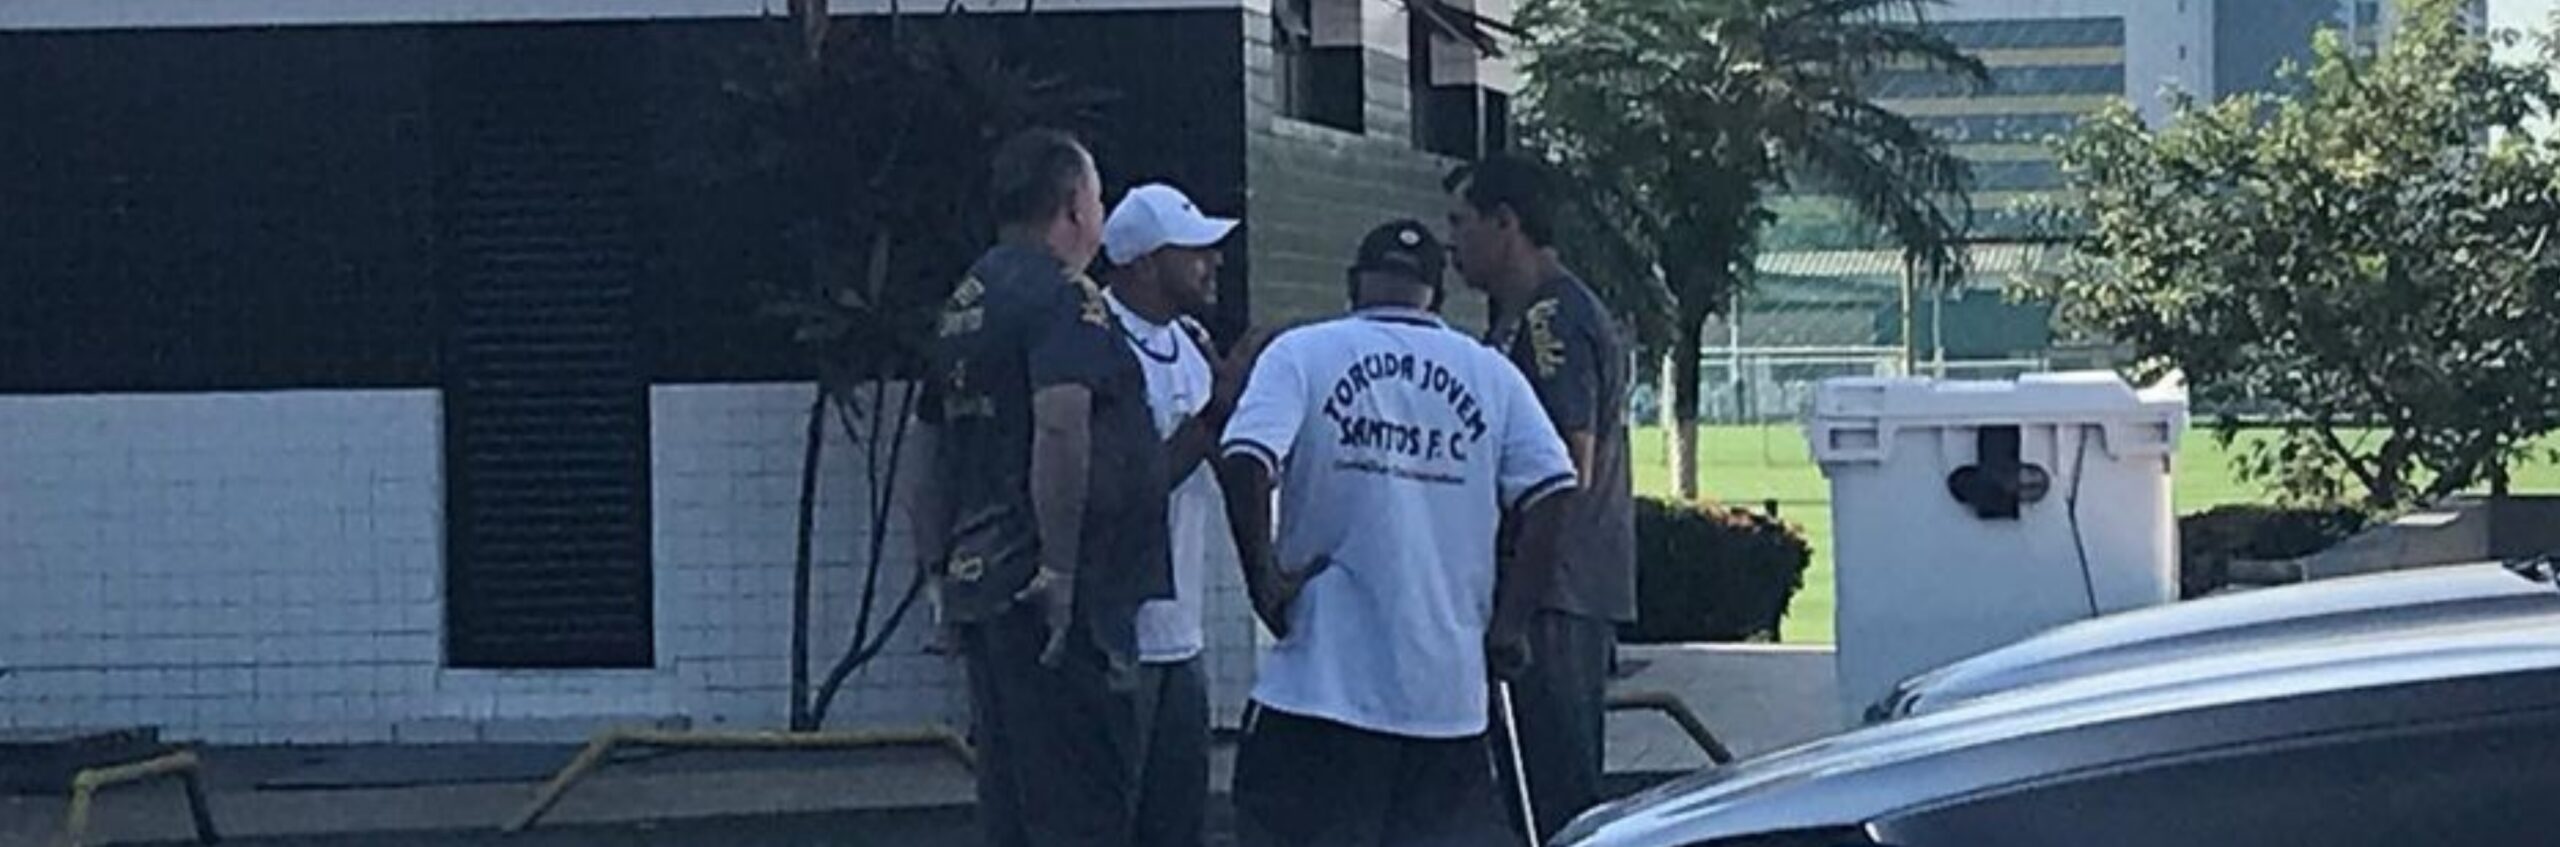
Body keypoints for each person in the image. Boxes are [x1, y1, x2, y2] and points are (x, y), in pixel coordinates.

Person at [1217, 220, 1579, 847]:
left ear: (1353, 284)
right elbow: (1553, 488)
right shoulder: (1489, 373)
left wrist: (1264, 580)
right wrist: (1510, 623)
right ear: (1435, 297)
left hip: (1319, 693)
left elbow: (1246, 456)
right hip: (1444, 703)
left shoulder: (1303, 353)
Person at [908, 128, 1171, 847]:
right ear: (1071, 207)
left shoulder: (967, 298)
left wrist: (938, 576)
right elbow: (1061, 424)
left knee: (1018, 805)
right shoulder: (1064, 298)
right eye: (1097, 197)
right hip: (1057, 603)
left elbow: (928, 446)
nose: (1102, 215)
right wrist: (1059, 567)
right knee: (1081, 804)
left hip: (986, 584)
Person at [1445, 154, 1638, 842]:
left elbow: (1566, 461)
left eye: (1462, 223)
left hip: (1556, 584)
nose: (1452, 242)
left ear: (1507, 224)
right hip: (1539, 582)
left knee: (1556, 792)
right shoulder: (1516, 316)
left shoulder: (1550, 316)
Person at [1096, 182, 1247, 847]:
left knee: (1179, 818)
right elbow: (1130, 488)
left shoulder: (1188, 340)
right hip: (1121, 632)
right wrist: (1214, 410)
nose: (1212, 264)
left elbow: (1225, 456)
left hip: (1182, 632)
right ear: (1145, 262)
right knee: (1113, 812)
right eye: (1195, 252)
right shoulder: (1096, 342)